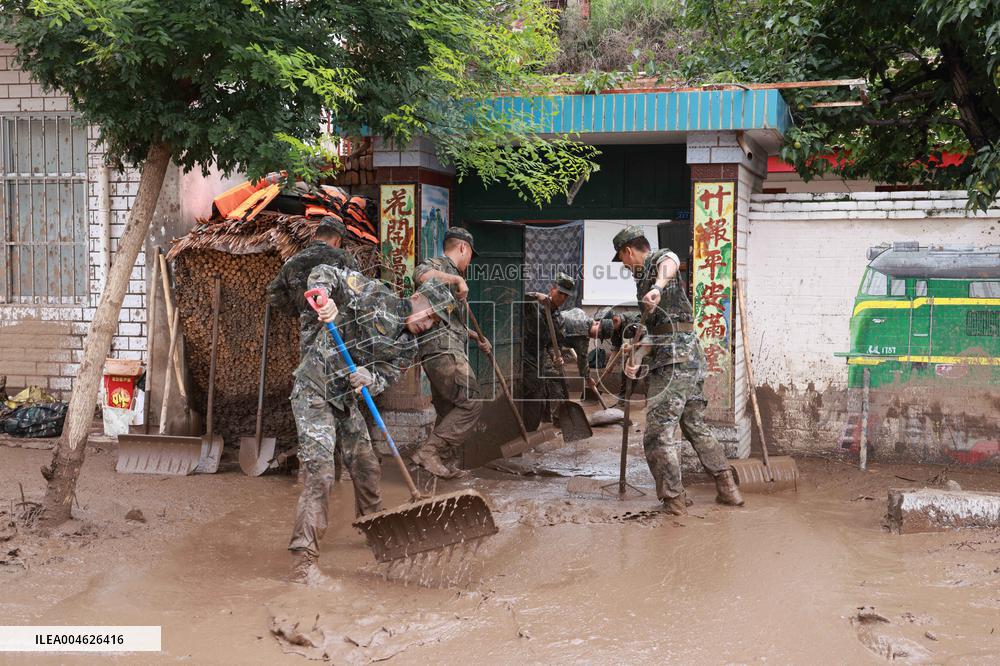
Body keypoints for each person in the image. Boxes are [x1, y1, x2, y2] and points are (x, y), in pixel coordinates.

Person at [275, 260, 456, 582]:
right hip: (315, 389)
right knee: (321, 473)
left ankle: (377, 530)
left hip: (345, 401)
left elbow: (387, 376)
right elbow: (326, 272)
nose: (428, 324)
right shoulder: (374, 294)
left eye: (434, 322)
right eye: (429, 315)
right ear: (417, 298)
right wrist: (324, 298)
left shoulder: (409, 345)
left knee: (367, 466)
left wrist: (371, 379)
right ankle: (304, 559)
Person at [611, 225, 744, 515]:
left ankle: (674, 501)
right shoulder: (642, 282)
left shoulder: (657, 262)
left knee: (657, 433)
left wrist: (657, 287)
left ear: (628, 251)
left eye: (622, 260)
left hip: (674, 362)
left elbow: (670, 260)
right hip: (688, 358)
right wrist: (637, 357)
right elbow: (658, 331)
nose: (624, 266)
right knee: (694, 424)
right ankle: (728, 488)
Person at [266, 216, 359, 475]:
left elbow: (273, 293)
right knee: (343, 399)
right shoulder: (343, 259)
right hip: (341, 339)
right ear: (337, 239)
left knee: (312, 397)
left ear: (316, 235)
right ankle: (343, 468)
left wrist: (300, 312)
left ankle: (316, 464)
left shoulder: (293, 262)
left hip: (309, 340)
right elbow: (359, 293)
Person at [411, 227, 491, 478]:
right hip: (443, 350)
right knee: (471, 402)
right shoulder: (440, 266)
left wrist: (475, 336)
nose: (470, 261)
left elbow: (449, 320)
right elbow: (420, 274)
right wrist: (456, 280)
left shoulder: (453, 276)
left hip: (443, 348)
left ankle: (442, 463)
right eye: (470, 255)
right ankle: (429, 452)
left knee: (449, 409)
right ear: (463, 248)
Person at [522, 272, 575, 431]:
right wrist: (535, 295)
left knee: (559, 380)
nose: (562, 298)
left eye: (566, 296)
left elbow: (553, 344)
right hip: (522, 350)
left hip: (539, 353)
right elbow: (516, 297)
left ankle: (553, 418)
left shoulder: (559, 320)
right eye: (560, 293)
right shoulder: (534, 304)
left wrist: (556, 356)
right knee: (535, 385)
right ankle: (532, 422)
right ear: (552, 290)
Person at [559, 308, 622, 401]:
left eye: (599, 337)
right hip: (542, 342)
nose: (595, 337)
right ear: (597, 323)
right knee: (558, 385)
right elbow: (582, 359)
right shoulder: (583, 334)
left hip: (547, 339)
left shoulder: (580, 312)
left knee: (561, 382)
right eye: (598, 334)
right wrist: (588, 379)